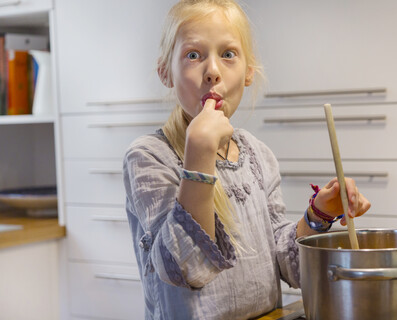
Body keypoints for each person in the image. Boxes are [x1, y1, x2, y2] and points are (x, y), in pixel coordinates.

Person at [123, 0, 371, 319]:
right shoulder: (148, 156)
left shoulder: (258, 155)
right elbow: (187, 269)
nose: (212, 71)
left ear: (249, 72)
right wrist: (199, 153)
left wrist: (318, 215)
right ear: (165, 72)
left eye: (228, 54)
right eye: (193, 55)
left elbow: (288, 264)